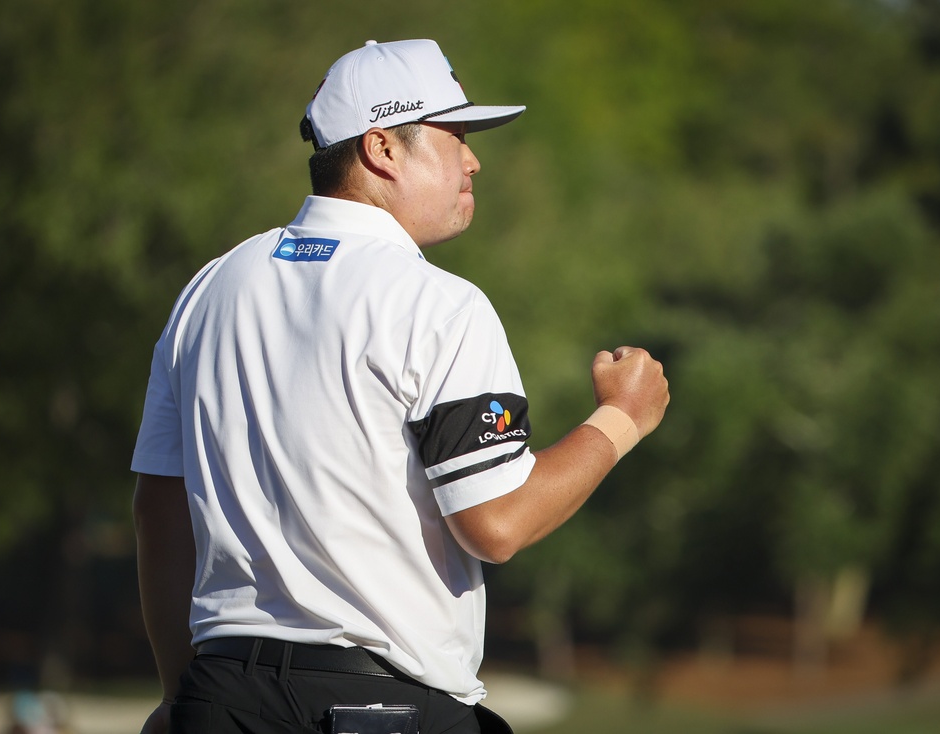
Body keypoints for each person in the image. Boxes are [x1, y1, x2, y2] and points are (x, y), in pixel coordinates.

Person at [132, 38, 669, 734]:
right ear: (383, 148)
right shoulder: (438, 303)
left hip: (221, 699)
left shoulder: (209, 288)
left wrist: (181, 699)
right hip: (381, 709)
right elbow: (495, 523)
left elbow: (157, 509)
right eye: (456, 136)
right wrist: (621, 419)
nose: (473, 160)